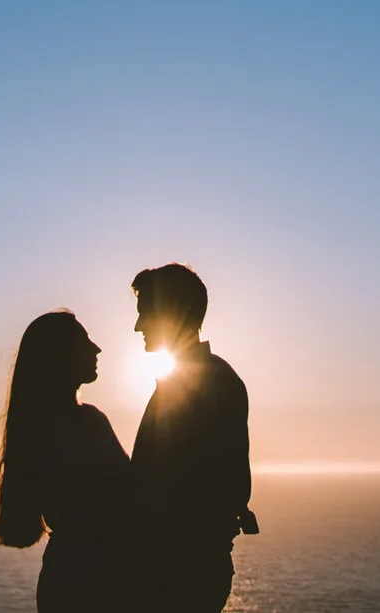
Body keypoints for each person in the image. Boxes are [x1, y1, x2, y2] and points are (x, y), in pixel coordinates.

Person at [127, 263, 253, 613]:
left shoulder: (202, 385)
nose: (138, 326)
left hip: (178, 573)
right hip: (188, 567)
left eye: (145, 314)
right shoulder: (210, 380)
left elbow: (174, 488)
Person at [0, 310, 131, 612]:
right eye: (85, 342)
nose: (97, 349)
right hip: (98, 578)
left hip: (62, 576)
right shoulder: (86, 423)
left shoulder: (37, 428)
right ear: (61, 356)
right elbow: (130, 497)